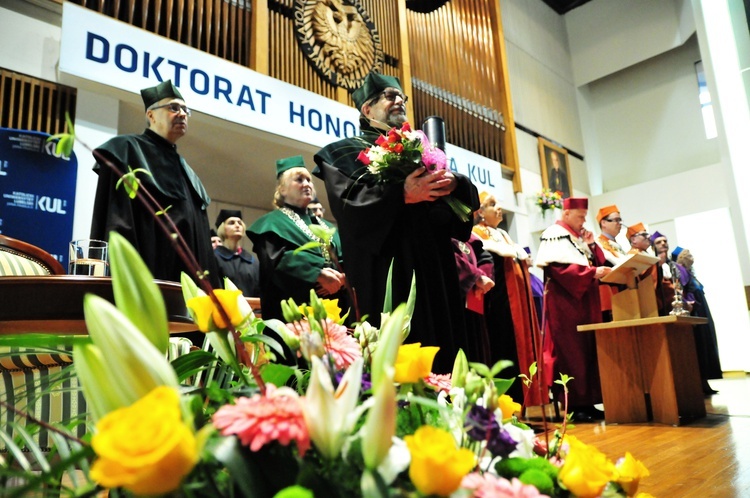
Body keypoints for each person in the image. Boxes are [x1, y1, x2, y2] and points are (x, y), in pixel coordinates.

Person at [313, 72, 479, 373]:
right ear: (367, 109)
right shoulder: (343, 153)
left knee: (443, 355)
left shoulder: (423, 150)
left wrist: (453, 183)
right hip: (389, 271)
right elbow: (349, 206)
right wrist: (399, 194)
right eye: (390, 96)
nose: (399, 101)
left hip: (435, 271)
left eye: (401, 97)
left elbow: (460, 214)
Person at [90, 79, 218, 286]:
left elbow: (201, 246)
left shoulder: (189, 173)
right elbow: (117, 223)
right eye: (174, 108)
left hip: (187, 288)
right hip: (145, 277)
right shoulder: (126, 151)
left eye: (186, 110)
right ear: (150, 115)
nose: (183, 114)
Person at [535, 197, 610, 421]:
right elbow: (558, 270)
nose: (583, 221)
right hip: (566, 306)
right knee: (573, 354)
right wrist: (591, 274)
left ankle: (588, 401)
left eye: (585, 217)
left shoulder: (577, 238)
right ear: (566, 214)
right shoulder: (554, 233)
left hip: (585, 304)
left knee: (588, 351)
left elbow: (596, 260)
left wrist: (591, 244)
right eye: (580, 216)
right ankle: (574, 405)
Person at [248, 155, 346, 322]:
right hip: (294, 313)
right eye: (299, 179)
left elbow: (346, 258)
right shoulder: (271, 222)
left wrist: (341, 278)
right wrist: (317, 274)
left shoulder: (326, 226)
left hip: (334, 309)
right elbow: (274, 261)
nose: (307, 184)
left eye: (309, 179)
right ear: (282, 189)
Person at [472, 192, 544, 405]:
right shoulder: (477, 234)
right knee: (505, 350)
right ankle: (509, 407)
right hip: (499, 306)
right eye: (492, 205)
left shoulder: (503, 235)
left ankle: (525, 405)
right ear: (480, 212)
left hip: (517, 306)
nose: (498, 208)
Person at [673, 246, 723, 395]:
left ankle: (705, 381)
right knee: (699, 345)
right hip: (695, 310)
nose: (691, 257)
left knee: (706, 344)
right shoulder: (679, 270)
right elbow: (682, 290)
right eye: (688, 255)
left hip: (702, 310)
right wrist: (689, 305)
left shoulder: (690, 273)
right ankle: (700, 382)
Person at [451, 234, 494, 365]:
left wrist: (483, 274)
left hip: (475, 299)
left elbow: (484, 257)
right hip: (454, 300)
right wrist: (475, 276)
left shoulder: (470, 238)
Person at [213, 209, 260, 297]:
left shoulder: (253, 262)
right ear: (222, 228)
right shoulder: (214, 258)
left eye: (240, 223)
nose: (237, 225)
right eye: (231, 223)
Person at [596, 204, 627, 322]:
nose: (619, 224)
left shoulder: (617, 244)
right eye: (616, 220)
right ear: (603, 223)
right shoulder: (598, 244)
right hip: (612, 292)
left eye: (620, 220)